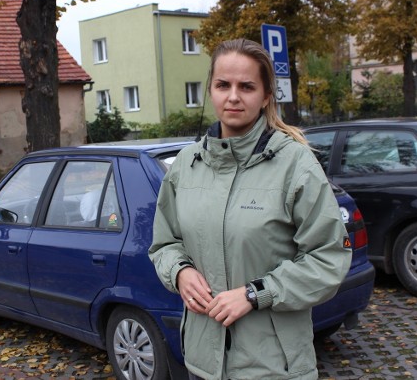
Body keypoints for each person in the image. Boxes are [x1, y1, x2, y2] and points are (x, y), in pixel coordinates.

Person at [148, 38, 352, 380]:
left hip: (273, 366)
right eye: (223, 85)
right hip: (202, 361)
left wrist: (256, 293)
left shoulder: (295, 163)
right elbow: (164, 243)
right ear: (210, 90)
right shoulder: (187, 164)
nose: (233, 96)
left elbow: (329, 258)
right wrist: (180, 271)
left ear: (266, 96)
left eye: (247, 86)